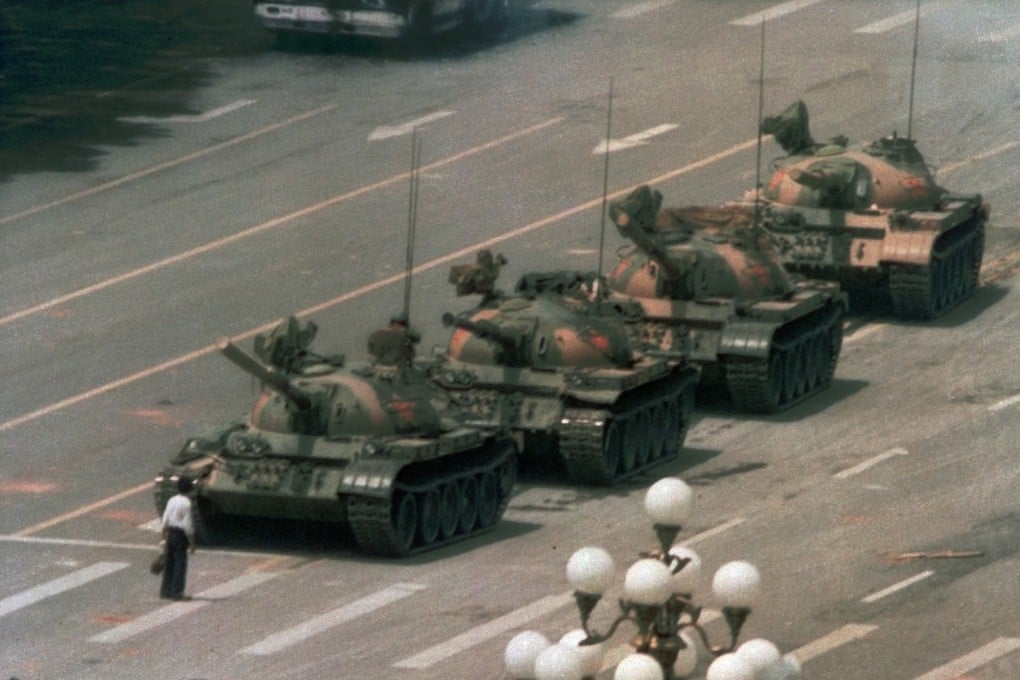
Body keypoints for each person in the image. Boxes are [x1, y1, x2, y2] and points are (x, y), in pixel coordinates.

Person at [160, 476, 196, 601]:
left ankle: (165, 590)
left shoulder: (171, 500)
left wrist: (163, 538)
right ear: (189, 490)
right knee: (180, 564)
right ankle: (177, 592)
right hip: (180, 535)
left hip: (170, 533)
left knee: (169, 563)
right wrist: (192, 543)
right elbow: (188, 526)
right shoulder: (187, 503)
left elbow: (165, 519)